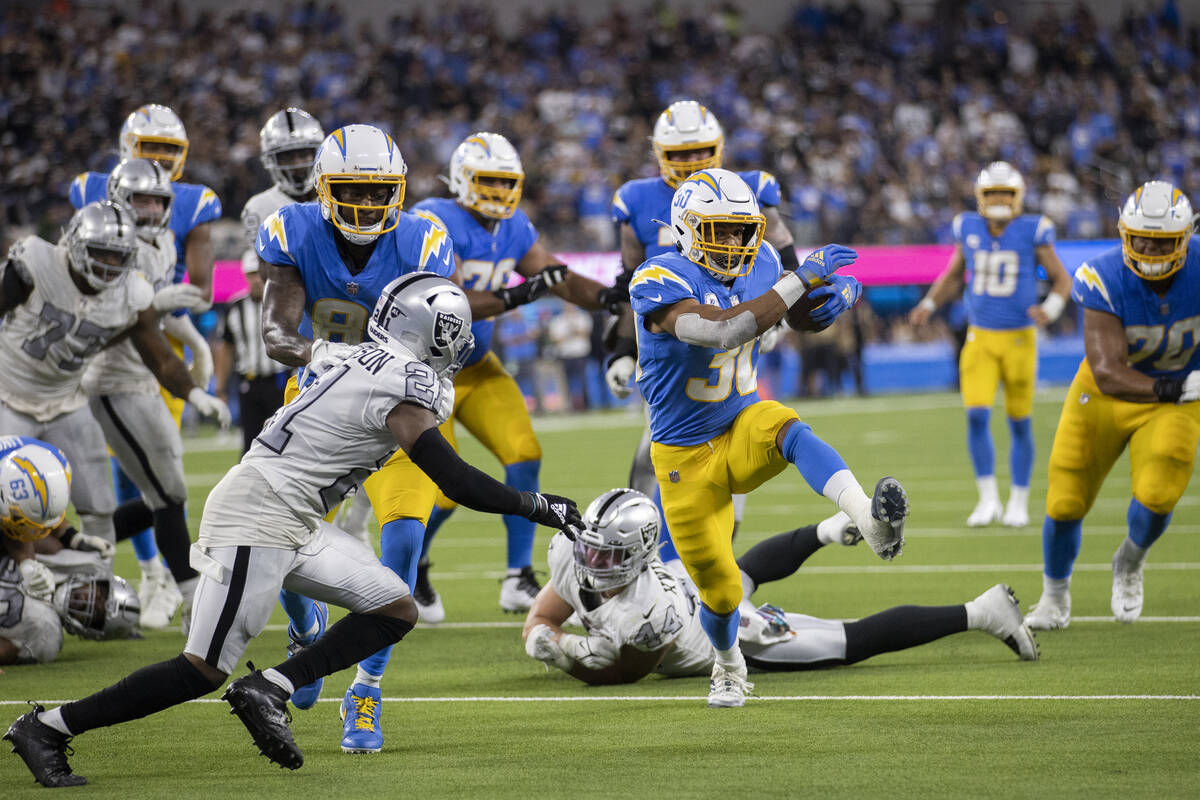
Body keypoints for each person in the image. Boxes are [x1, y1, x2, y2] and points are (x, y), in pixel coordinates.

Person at [3, 273, 583, 788]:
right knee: (201, 669)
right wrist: (540, 505)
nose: (458, 348)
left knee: (395, 608)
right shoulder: (407, 382)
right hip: (263, 510)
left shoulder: (356, 357)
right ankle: (48, 728)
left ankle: (272, 688)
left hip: (293, 512)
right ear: (432, 334)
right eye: (452, 335)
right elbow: (454, 478)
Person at [256, 124, 564, 753]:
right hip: (315, 401)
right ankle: (303, 628)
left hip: (396, 403)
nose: (368, 207)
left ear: (399, 193)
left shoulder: (424, 239)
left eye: (380, 194)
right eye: (352, 192)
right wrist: (323, 356)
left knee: (402, 537)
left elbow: (445, 328)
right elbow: (273, 332)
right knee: (280, 540)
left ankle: (366, 691)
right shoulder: (292, 230)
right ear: (323, 188)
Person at [627, 168, 907, 707]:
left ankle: (868, 519)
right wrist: (803, 277)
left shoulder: (761, 263)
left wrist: (839, 295)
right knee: (721, 588)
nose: (733, 243)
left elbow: (796, 316)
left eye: (740, 230)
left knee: (787, 427)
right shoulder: (658, 278)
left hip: (738, 426)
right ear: (687, 229)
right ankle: (728, 664)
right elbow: (721, 329)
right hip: (684, 458)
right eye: (719, 231)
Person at [524, 489, 1037, 685]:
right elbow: (540, 617)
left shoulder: (646, 612)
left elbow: (622, 674)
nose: (592, 560)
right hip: (692, 582)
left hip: (727, 634)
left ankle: (981, 610)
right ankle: (831, 529)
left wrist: (566, 652)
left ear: (638, 555)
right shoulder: (570, 554)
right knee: (742, 569)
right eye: (590, 547)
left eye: (607, 554)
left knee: (848, 641)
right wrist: (543, 634)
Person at [409, 132, 610, 622]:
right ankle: (413, 568)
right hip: (426, 374)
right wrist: (518, 296)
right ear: (461, 180)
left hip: (477, 367)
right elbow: (451, 297)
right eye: (488, 181)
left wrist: (611, 297)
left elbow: (557, 275)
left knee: (524, 456)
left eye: (506, 183)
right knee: (444, 492)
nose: (498, 193)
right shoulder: (433, 217)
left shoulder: (514, 226)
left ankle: (518, 576)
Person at [605, 100, 798, 550]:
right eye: (681, 153)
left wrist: (780, 317)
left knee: (734, 443)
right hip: (675, 346)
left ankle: (711, 551)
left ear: (720, 147)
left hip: (738, 333)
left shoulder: (748, 188)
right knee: (652, 456)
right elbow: (629, 284)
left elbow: (785, 260)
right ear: (658, 153)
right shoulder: (636, 199)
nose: (692, 161)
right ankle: (647, 554)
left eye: (701, 150)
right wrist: (619, 348)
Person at [0, 201, 229, 557]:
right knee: (10, 502)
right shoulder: (37, 262)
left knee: (99, 502)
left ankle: (94, 583)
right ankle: (18, 582)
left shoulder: (130, 293)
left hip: (66, 401)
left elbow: (160, 356)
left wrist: (195, 394)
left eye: (118, 256)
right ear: (76, 244)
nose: (109, 264)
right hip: (8, 394)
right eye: (101, 253)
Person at [70, 104, 223, 621]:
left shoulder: (159, 243)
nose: (153, 213)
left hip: (146, 369)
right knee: (157, 490)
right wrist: (161, 318)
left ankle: (74, 554)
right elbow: (125, 319)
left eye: (159, 204)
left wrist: (190, 346)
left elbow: (155, 315)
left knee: (169, 489)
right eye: (141, 202)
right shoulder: (103, 237)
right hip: (109, 375)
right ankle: (176, 585)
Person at [1025, 181, 1200, 630]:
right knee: (1064, 502)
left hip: (1176, 398)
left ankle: (1130, 560)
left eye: (1160, 241)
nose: (1146, 247)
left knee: (1160, 493)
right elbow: (1107, 370)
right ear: (1123, 232)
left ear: (1183, 239)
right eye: (1138, 236)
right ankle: (1054, 596)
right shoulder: (1102, 276)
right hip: (1108, 396)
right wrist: (1177, 389)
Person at [909, 162, 1072, 528]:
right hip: (979, 337)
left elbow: (1063, 280)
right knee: (977, 415)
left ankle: (1018, 499)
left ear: (1018, 198)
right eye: (992, 193)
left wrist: (1052, 307)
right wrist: (930, 303)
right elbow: (953, 275)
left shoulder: (1034, 229)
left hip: (1019, 339)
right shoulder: (966, 226)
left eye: (1005, 194)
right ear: (981, 197)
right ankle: (988, 499)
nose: (999, 200)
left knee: (1019, 422)